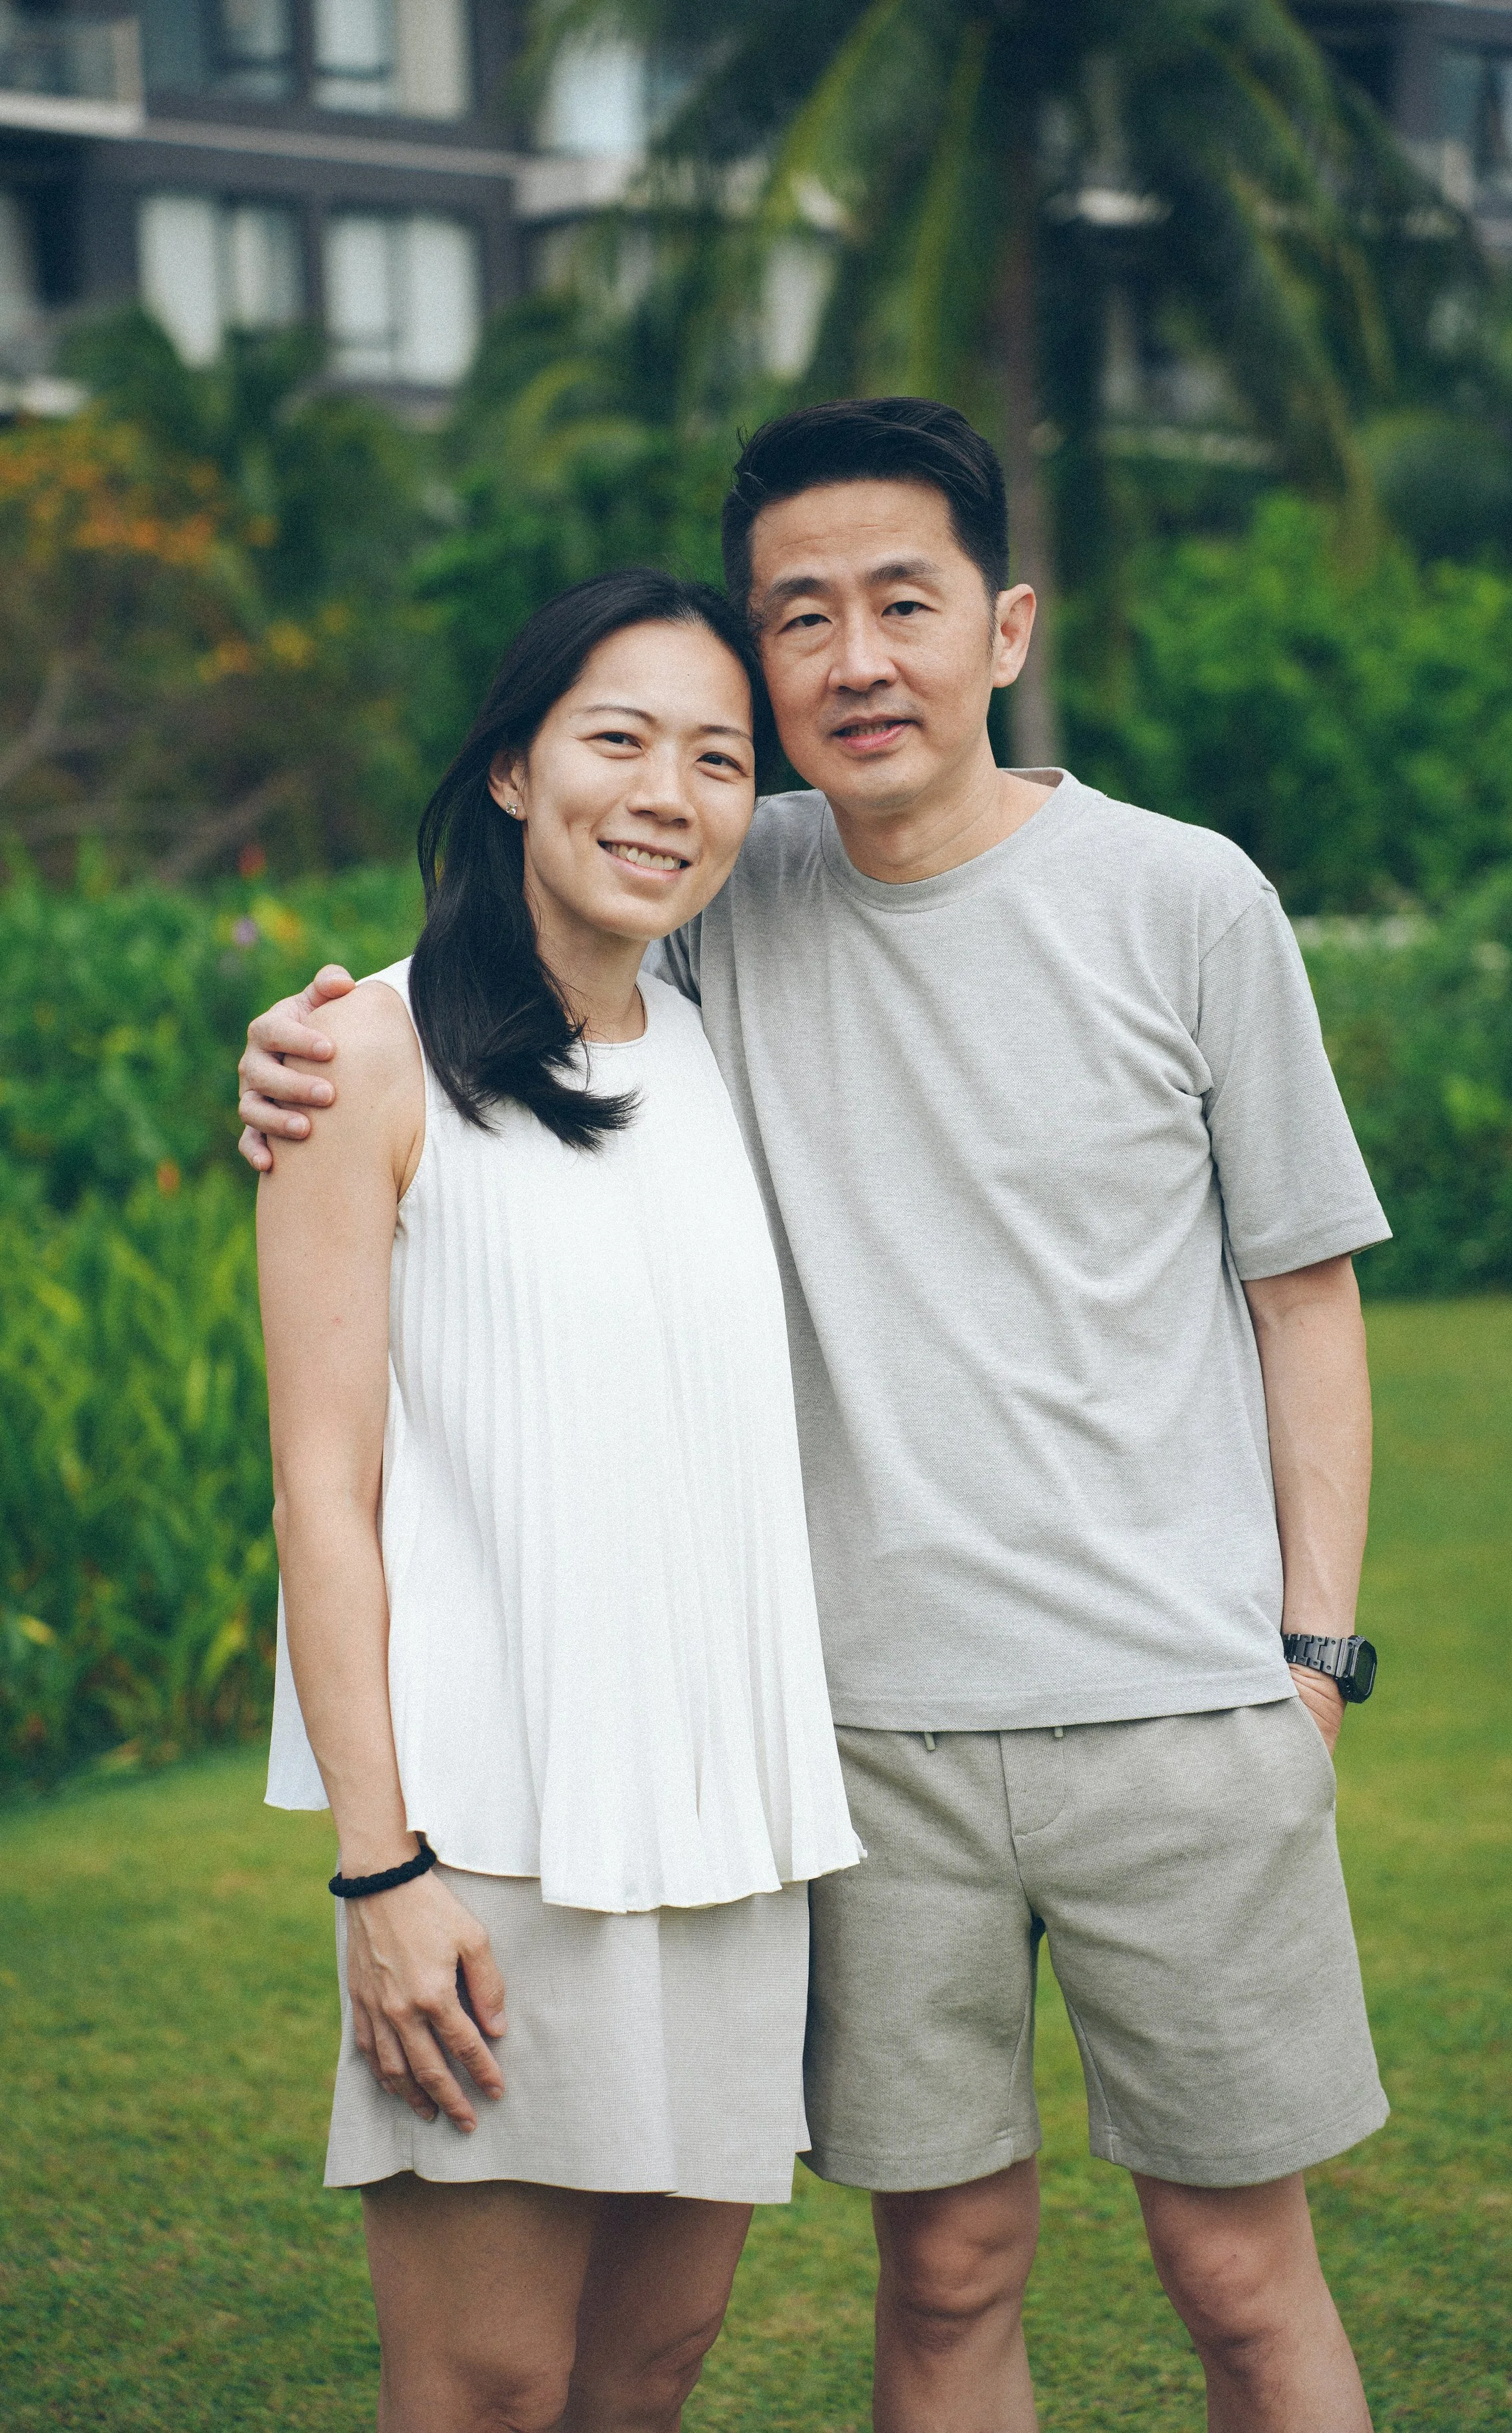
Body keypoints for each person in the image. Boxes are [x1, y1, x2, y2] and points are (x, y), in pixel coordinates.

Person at [243, 400, 1392, 2433]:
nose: (854, 658)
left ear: (1002, 624)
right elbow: (494, 966)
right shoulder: (717, 889)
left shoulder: (1183, 895)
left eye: (903, 604)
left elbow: (1301, 1291)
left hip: (1172, 1715)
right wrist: (304, 1045)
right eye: (802, 619)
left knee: (1232, 2272)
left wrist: (1308, 1656)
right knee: (941, 2270)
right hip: (862, 1759)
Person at [255, 565, 859, 2433]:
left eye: (714, 758)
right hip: (493, 1840)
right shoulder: (363, 1056)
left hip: (736, 1829)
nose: (664, 793)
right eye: (618, 739)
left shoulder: (725, 1048)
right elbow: (321, 1491)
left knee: (647, 2375)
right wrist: (383, 1869)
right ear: (515, 767)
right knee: (486, 2386)